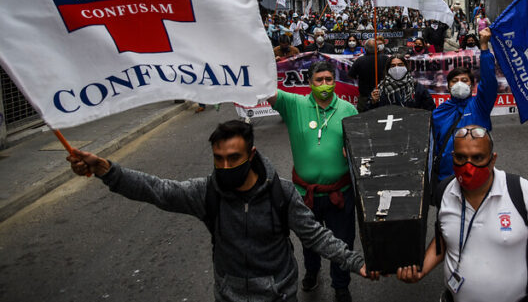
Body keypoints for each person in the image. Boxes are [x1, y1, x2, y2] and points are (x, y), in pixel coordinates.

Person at [65, 120, 372, 302]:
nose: (225, 166)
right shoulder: (206, 192)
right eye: (219, 158)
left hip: (280, 295)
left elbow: (315, 236)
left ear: (251, 154)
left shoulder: (281, 192)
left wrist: (356, 262)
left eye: (233, 158)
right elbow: (157, 190)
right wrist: (107, 170)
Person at [396, 124, 528, 301]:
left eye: (477, 157)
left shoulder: (521, 191)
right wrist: (420, 269)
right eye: (461, 157)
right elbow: (443, 239)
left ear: (493, 159)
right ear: (453, 158)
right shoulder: (445, 192)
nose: (468, 166)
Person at [266, 62, 360, 302]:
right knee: (309, 239)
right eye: (319, 80)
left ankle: (341, 285)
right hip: (303, 194)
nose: (325, 85)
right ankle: (312, 270)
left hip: (340, 193)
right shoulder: (294, 104)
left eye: (329, 79)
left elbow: (360, 145)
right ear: (310, 82)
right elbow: (265, 90)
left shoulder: (348, 109)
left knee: (342, 241)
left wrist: (352, 151)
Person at [431, 28, 497, 183]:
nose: (459, 84)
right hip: (446, 179)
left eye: (465, 80)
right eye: (454, 81)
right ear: (448, 87)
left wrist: (484, 48)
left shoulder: (479, 105)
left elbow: (489, 82)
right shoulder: (439, 113)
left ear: (472, 86)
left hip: (477, 175)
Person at [368, 54, 435, 111]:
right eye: (393, 66)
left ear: (406, 67)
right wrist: (373, 102)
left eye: (400, 65)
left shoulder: (417, 87)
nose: (397, 68)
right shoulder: (380, 89)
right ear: (388, 69)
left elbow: (430, 108)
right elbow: (368, 113)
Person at [348, 38, 389, 112]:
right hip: (383, 97)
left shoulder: (359, 61)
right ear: (378, 48)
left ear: (365, 49)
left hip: (365, 98)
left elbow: (351, 75)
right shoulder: (386, 59)